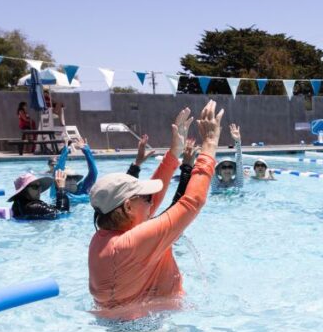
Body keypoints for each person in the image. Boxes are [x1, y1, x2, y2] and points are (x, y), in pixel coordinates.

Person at [88, 103, 222, 319]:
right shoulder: (132, 244)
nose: (152, 203)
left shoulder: (104, 237)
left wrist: (175, 152)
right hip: (154, 328)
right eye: (145, 198)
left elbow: (148, 205)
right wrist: (210, 144)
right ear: (128, 207)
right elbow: (192, 201)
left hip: (129, 320)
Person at [49, 137, 98, 203]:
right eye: (68, 178)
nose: (72, 180)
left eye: (74, 178)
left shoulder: (81, 191)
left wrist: (87, 151)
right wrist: (65, 151)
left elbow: (93, 174)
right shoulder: (57, 193)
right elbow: (58, 172)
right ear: (60, 181)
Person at [211, 123, 243, 192]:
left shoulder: (238, 183)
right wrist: (213, 141)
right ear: (219, 170)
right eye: (224, 167)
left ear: (234, 170)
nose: (227, 170)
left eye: (230, 167)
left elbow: (239, 161)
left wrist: (237, 141)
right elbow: (211, 161)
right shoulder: (216, 184)